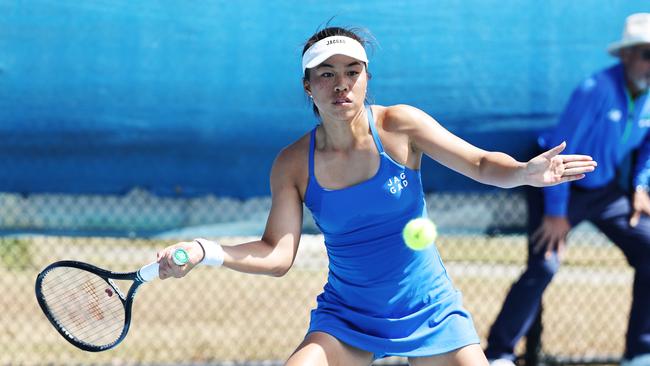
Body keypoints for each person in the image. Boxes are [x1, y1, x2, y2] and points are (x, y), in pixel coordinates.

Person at [155, 26, 596, 366]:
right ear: (308, 86)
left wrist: (523, 173)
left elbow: (480, 163)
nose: (340, 84)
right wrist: (205, 249)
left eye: (352, 72)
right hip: (347, 317)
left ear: (367, 79)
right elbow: (276, 254)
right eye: (326, 74)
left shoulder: (401, 126)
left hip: (430, 311)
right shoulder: (291, 164)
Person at [485, 13, 650, 366]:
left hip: (604, 191)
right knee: (544, 266)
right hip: (554, 183)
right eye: (646, 54)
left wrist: (641, 185)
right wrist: (556, 212)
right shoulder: (596, 90)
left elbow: (648, 146)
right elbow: (562, 153)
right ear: (626, 56)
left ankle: (640, 352)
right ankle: (498, 354)